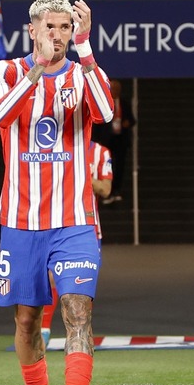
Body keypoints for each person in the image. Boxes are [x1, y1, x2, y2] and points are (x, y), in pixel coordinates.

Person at [0, 0, 114, 385]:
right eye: (51, 27)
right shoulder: (5, 71)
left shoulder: (83, 74)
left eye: (65, 27)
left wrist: (87, 46)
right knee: (26, 320)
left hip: (75, 219)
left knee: (78, 312)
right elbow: (2, 115)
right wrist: (38, 68)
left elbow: (108, 111)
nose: (58, 36)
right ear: (33, 30)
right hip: (20, 222)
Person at [41, 139, 113, 346]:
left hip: (87, 228)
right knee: (52, 278)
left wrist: (80, 173)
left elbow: (106, 189)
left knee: (82, 287)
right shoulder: (50, 145)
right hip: (55, 223)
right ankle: (43, 329)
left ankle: (81, 336)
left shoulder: (100, 152)